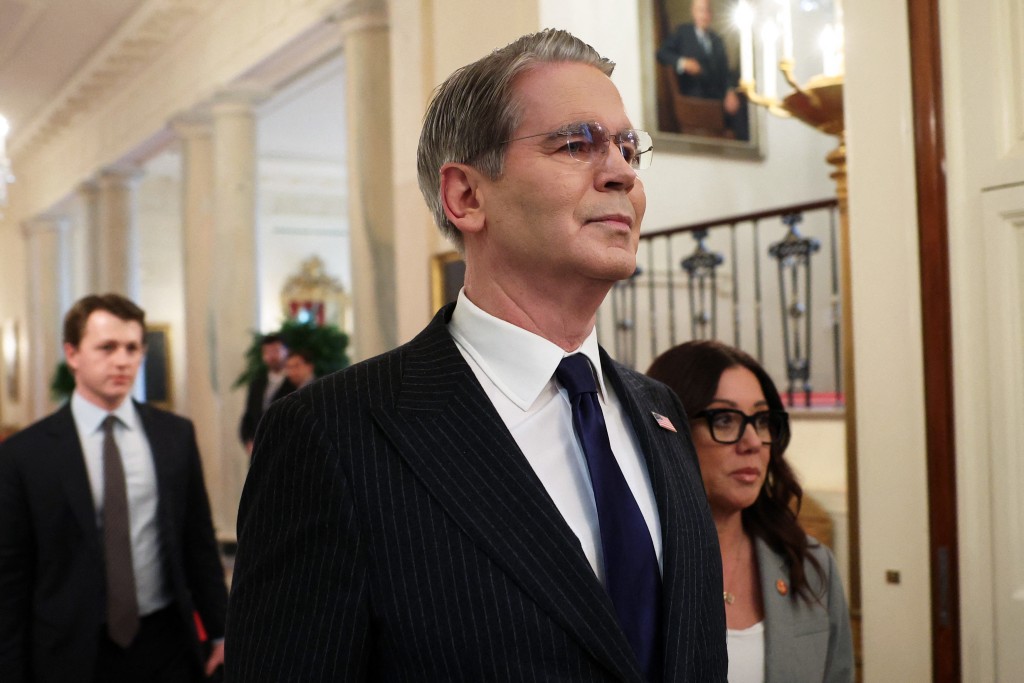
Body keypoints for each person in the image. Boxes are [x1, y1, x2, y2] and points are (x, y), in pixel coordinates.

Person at [226, 28, 727, 682]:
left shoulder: (660, 414)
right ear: (466, 196)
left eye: (628, 147)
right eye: (578, 143)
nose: (622, 171)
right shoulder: (332, 436)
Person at [0, 293, 228, 682]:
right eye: (107, 348)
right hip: (69, 650)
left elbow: (198, 542)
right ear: (72, 354)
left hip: (165, 641)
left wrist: (223, 631)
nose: (123, 360)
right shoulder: (26, 453)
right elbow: (11, 576)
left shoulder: (174, 435)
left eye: (132, 348)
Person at [646, 340, 854, 683]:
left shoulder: (811, 567)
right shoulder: (633, 570)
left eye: (761, 420)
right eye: (725, 419)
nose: (753, 442)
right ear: (671, 430)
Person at [656, 0, 749, 140]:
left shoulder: (717, 39)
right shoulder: (683, 33)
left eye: (707, 11)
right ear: (693, 12)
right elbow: (661, 53)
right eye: (700, 10)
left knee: (743, 107)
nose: (704, 15)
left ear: (711, 14)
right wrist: (683, 62)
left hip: (718, 97)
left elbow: (726, 72)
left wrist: (730, 90)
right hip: (693, 96)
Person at [237, 332, 295, 453]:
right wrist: (248, 441)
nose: (271, 356)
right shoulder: (257, 383)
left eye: (276, 351)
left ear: (287, 351)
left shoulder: (295, 383)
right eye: (267, 352)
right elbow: (249, 416)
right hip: (259, 452)